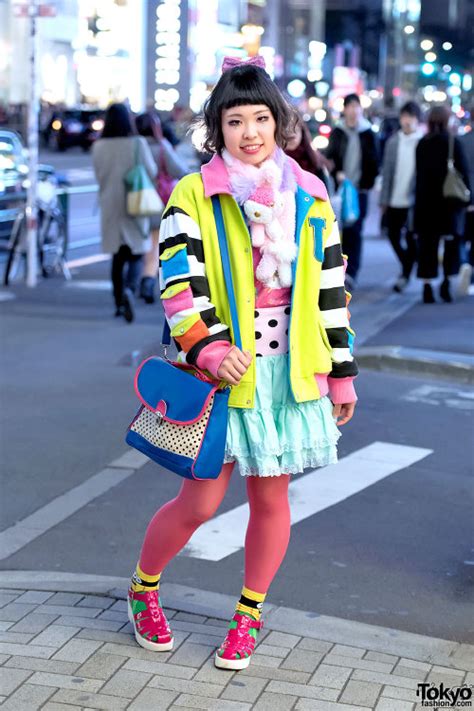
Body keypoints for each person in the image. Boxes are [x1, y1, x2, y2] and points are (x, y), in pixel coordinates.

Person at [127, 56, 358, 672]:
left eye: (261, 117)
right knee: (200, 503)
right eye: (235, 120)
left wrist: (341, 370)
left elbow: (331, 287)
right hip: (222, 371)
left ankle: (248, 615)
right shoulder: (194, 192)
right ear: (217, 127)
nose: (250, 132)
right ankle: (143, 587)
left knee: (272, 502)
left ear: (280, 123)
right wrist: (206, 346)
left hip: (289, 370)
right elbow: (178, 283)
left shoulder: (307, 191)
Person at [92, 103, 157, 322]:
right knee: (137, 252)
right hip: (134, 201)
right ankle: (130, 288)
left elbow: (98, 175)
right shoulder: (137, 143)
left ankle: (119, 301)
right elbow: (152, 170)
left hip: (110, 204)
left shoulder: (99, 146)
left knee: (117, 257)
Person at [415, 105, 470, 303]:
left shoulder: (422, 143)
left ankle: (427, 286)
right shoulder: (453, 143)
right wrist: (468, 200)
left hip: (426, 203)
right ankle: (446, 283)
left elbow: (419, 175)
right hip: (449, 203)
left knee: (427, 246)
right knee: (450, 244)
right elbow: (464, 171)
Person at [325, 93, 379, 289]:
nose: (354, 110)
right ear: (345, 109)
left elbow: (375, 160)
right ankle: (340, 270)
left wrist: (367, 182)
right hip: (341, 191)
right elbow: (329, 156)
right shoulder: (338, 132)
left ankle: (352, 272)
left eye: (357, 106)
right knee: (339, 231)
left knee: (355, 231)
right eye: (350, 106)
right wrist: (336, 172)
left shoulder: (368, 133)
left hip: (360, 190)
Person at [135, 111, 189, 303]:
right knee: (154, 246)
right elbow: (180, 171)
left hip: (134, 201)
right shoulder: (161, 147)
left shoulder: (132, 147)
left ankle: (138, 280)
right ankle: (148, 282)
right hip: (158, 201)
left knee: (142, 245)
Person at [380, 101, 423, 292]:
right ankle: (407, 265)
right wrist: (384, 199)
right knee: (393, 235)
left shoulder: (422, 142)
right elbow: (387, 172)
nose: (407, 121)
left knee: (412, 238)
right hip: (395, 198)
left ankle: (405, 274)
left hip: (413, 201)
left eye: (411, 117)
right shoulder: (393, 141)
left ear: (417, 120)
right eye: (405, 117)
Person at [285, 114, 330, 189]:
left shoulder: (313, 160)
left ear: (302, 132)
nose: (291, 136)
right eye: (287, 131)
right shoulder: (275, 162)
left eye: (295, 130)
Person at [459, 107, 474, 294]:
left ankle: (463, 263)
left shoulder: (461, 141)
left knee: (462, 237)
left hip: (462, 197)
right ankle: (470, 274)